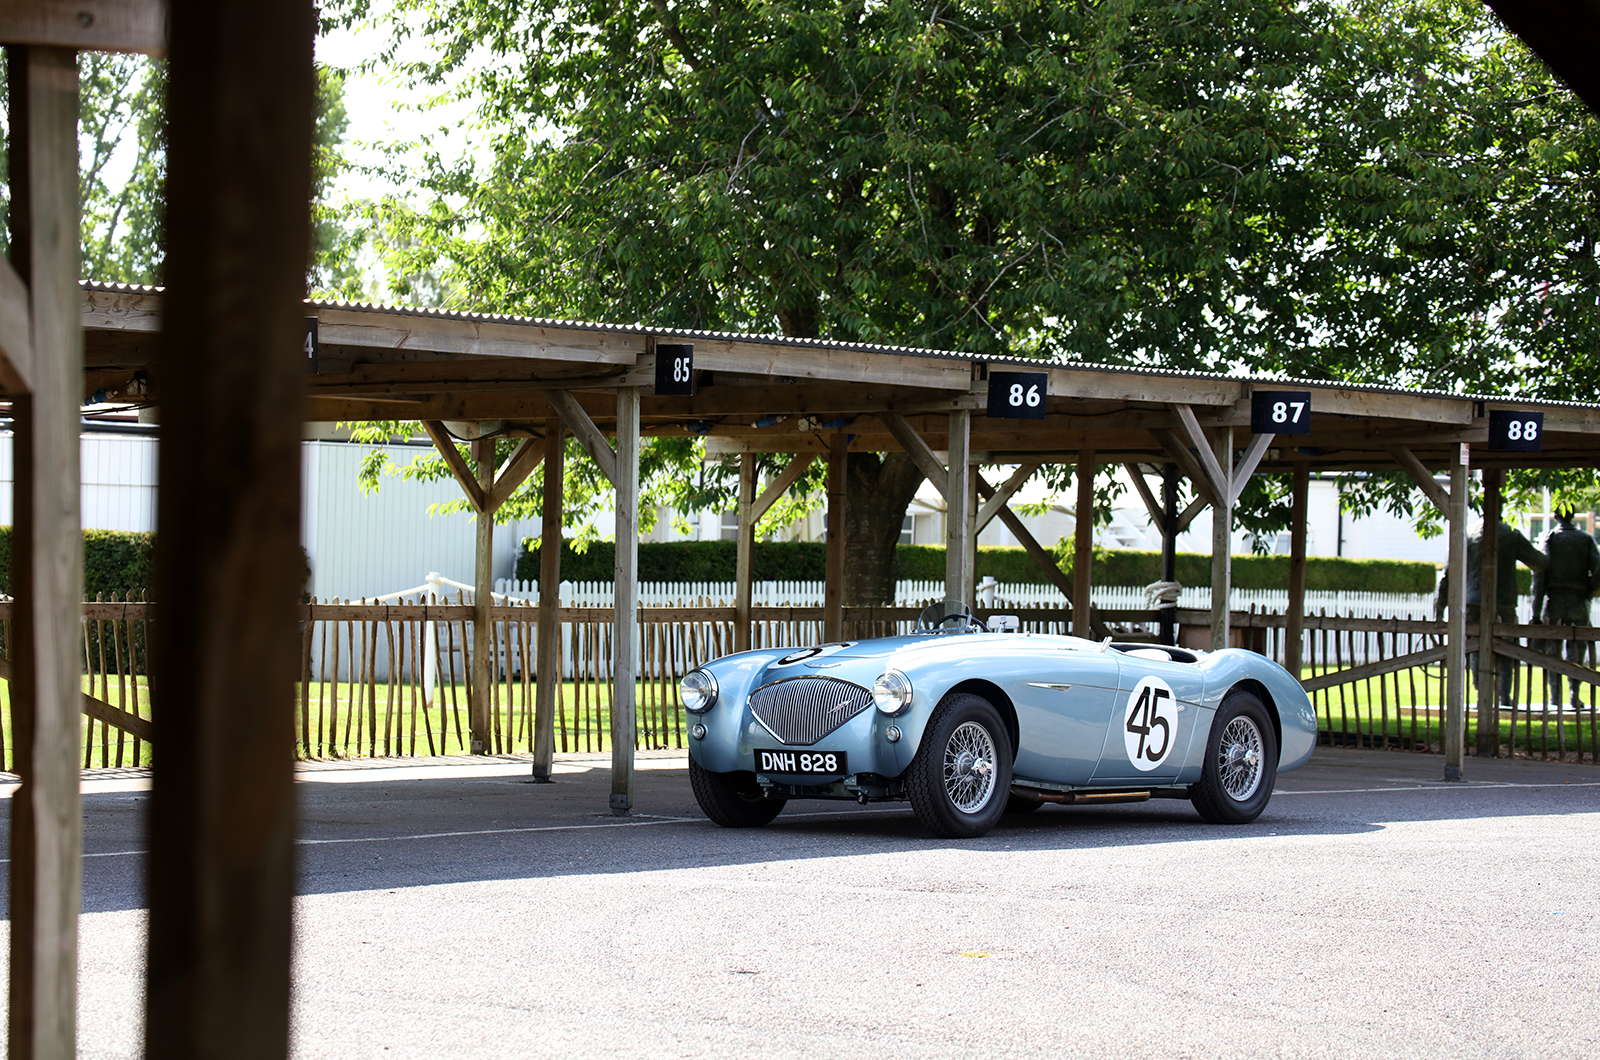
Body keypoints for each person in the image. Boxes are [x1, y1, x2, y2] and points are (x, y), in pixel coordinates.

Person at [1435, 518, 1548, 704]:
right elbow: (1539, 562)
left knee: (1475, 650)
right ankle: (1503, 696)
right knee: (1507, 650)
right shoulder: (1511, 534)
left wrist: (1440, 607)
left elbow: (1447, 574)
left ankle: (1482, 695)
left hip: (1472, 603)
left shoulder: (1467, 535)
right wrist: (1545, 546)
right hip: (1503, 603)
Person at [1531, 510, 1600, 709]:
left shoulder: (1549, 539)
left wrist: (1536, 613)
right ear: (1572, 516)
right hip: (1579, 601)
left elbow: (1539, 578)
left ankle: (1555, 697)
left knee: (1554, 651)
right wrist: (1589, 590)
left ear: (1556, 517)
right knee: (1577, 650)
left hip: (1555, 600)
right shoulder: (1585, 539)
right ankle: (1574, 694)